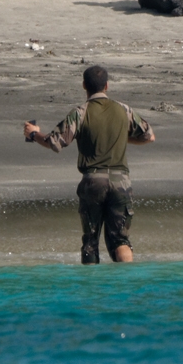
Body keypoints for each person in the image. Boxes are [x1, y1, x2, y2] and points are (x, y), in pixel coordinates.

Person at [23, 64, 155, 264]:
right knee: (120, 240)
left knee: (91, 242)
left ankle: (92, 290)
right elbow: (149, 137)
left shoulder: (80, 112)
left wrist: (33, 134)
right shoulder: (124, 109)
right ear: (107, 86)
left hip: (93, 181)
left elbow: (55, 142)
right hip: (121, 182)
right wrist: (120, 138)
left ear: (84, 85)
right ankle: (127, 284)